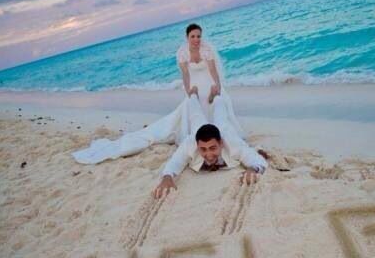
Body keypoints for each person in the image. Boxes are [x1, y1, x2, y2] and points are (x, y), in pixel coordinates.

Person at [72, 23, 245, 165]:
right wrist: (189, 92)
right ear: (187, 37)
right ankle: (202, 138)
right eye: (193, 36)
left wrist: (217, 87)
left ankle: (220, 137)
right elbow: (185, 75)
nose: (196, 39)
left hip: (209, 82)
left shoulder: (206, 49)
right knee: (193, 108)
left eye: (199, 36)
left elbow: (213, 70)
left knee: (216, 104)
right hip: (195, 87)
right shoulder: (182, 52)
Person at [153, 87, 267, 199]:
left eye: (212, 148)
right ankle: (193, 95)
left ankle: (216, 96)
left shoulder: (231, 142)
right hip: (199, 128)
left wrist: (252, 169)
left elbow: (257, 160)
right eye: (203, 149)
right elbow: (175, 162)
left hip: (223, 129)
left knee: (221, 117)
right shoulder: (190, 143)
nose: (209, 154)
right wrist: (167, 178)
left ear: (220, 143)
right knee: (196, 116)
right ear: (197, 145)